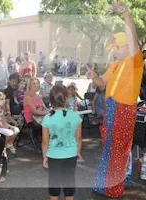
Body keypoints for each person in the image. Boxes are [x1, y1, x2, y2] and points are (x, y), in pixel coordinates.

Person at [86, 3, 144, 198]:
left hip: (124, 109)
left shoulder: (135, 61)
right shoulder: (114, 65)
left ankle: (112, 188)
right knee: (112, 146)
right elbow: (102, 83)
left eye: (117, 48)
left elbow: (132, 38)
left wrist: (125, 13)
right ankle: (118, 181)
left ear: (128, 47)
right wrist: (94, 76)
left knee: (117, 149)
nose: (114, 51)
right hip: (111, 108)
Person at [42, 85, 83, 200]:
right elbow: (78, 138)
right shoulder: (75, 116)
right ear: (66, 98)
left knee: (54, 185)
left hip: (53, 156)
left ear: (51, 100)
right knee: (69, 182)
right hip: (71, 155)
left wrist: (45, 157)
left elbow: (45, 142)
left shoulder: (47, 118)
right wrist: (78, 152)